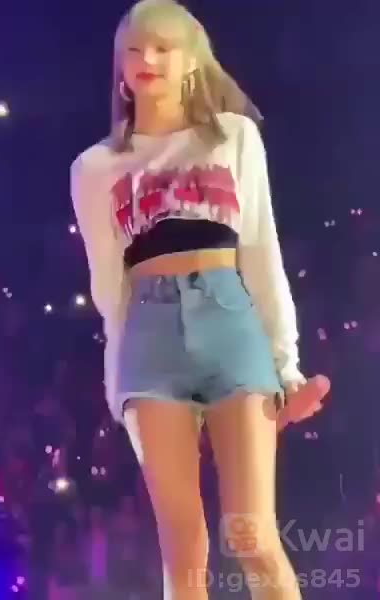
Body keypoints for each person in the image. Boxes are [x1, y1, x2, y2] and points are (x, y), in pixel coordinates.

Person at [70, 1, 330, 598]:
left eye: (163, 47)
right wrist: (116, 379)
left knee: (251, 534)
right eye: (134, 49)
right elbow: (108, 283)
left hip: (229, 320)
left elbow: (261, 251)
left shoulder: (233, 136)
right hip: (148, 336)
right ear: (119, 66)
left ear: (192, 60)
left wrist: (285, 362)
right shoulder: (95, 167)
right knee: (183, 546)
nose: (147, 59)